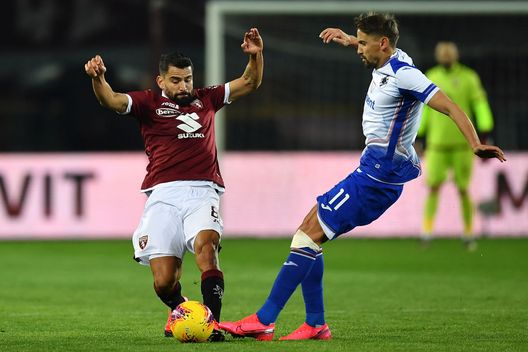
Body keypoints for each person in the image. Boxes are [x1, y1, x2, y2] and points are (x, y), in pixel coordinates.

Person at [219, 12, 505, 341]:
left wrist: (475, 143)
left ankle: (265, 320)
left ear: (383, 44)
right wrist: (350, 38)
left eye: (364, 43)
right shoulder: (392, 57)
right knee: (307, 233)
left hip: (378, 177)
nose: (359, 50)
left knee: (306, 237)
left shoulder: (405, 74)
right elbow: (372, 47)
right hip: (373, 169)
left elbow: (450, 106)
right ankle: (315, 324)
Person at [84, 28, 264, 341]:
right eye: (177, 80)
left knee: (206, 250)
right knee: (164, 282)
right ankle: (181, 310)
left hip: (202, 191)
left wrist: (255, 55)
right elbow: (111, 100)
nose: (184, 86)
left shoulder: (207, 99)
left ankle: (211, 326)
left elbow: (249, 81)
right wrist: (98, 78)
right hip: (163, 196)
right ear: (161, 81)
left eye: (188, 79)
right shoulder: (147, 104)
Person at [417, 42, 494, 249]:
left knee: (463, 189)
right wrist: (419, 134)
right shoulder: (431, 75)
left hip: (462, 144)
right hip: (437, 144)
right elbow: (424, 110)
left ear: (456, 55)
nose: (445, 55)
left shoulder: (469, 77)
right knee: (433, 187)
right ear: (437, 55)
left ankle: (468, 234)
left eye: (449, 52)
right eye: (442, 52)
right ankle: (426, 232)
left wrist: (485, 131)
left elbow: (480, 104)